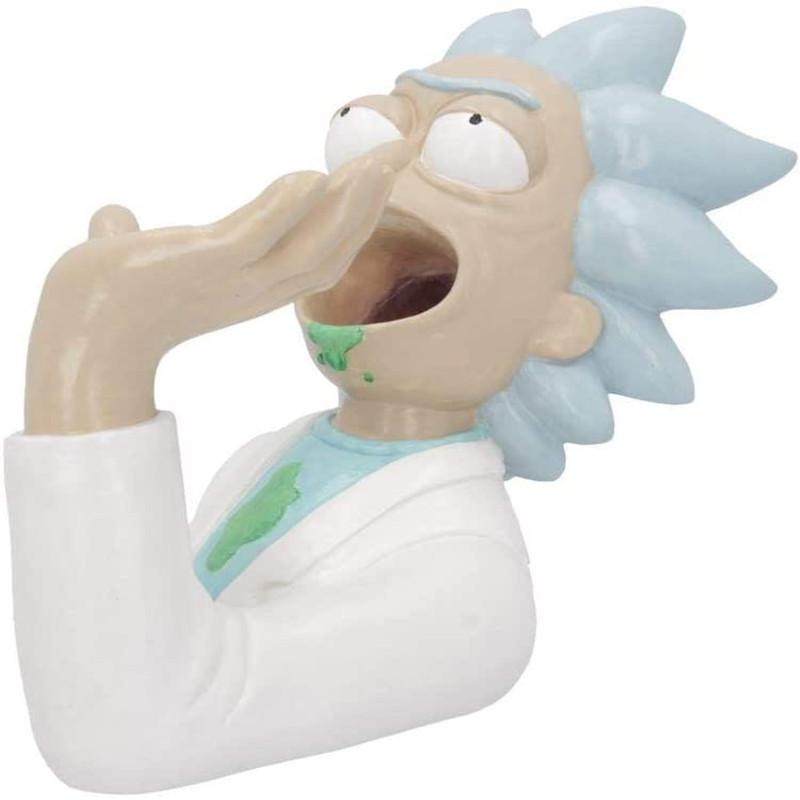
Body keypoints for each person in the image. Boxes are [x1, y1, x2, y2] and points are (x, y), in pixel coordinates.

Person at [4, 8, 794, 793]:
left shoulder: (469, 591)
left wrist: (96, 360)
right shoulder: (268, 455)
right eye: (370, 133)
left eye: (476, 145)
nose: (382, 176)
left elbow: (133, 734)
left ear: (560, 320)